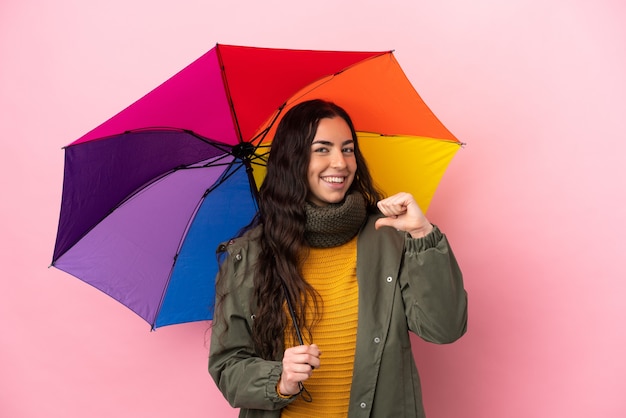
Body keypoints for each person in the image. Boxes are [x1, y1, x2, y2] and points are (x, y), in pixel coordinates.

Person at [209, 99, 467, 417]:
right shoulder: (250, 255)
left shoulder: (389, 236)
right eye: (322, 149)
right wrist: (280, 380)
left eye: (347, 149)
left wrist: (423, 235)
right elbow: (227, 366)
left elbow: (445, 328)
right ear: (293, 160)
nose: (341, 163)